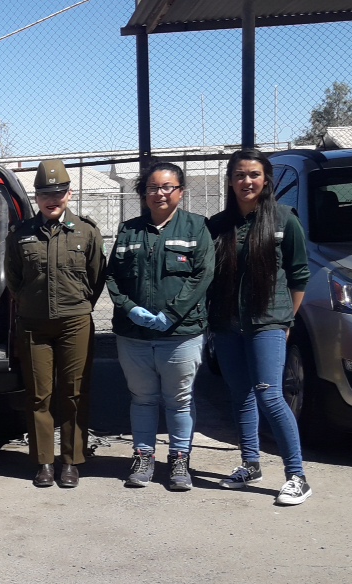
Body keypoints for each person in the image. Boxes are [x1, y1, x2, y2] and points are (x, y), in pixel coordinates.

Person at [207, 149, 313, 505]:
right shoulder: (219, 225)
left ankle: (297, 475)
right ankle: (250, 464)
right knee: (241, 396)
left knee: (269, 394)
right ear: (230, 180)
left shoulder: (285, 220)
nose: (246, 182)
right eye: (239, 175)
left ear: (266, 179)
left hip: (268, 321)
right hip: (227, 324)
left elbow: (299, 275)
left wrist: (286, 320)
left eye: (253, 175)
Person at [105, 161, 214, 491]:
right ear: (143, 192)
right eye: (153, 187)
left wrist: (172, 313)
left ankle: (180, 460)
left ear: (181, 192)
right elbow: (112, 276)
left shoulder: (196, 228)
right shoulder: (129, 230)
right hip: (134, 335)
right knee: (142, 399)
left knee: (179, 400)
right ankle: (143, 457)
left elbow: (202, 274)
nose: (160, 194)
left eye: (168, 187)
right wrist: (129, 309)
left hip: (180, 335)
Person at [5, 160, 106, 489]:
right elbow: (14, 279)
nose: (53, 199)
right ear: (36, 196)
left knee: (74, 393)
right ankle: (44, 462)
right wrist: (31, 303)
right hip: (34, 326)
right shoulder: (21, 235)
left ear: (69, 194)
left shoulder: (87, 232)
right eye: (46, 193)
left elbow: (96, 277)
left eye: (59, 192)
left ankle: (71, 462)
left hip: (74, 323)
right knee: (39, 396)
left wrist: (78, 305)